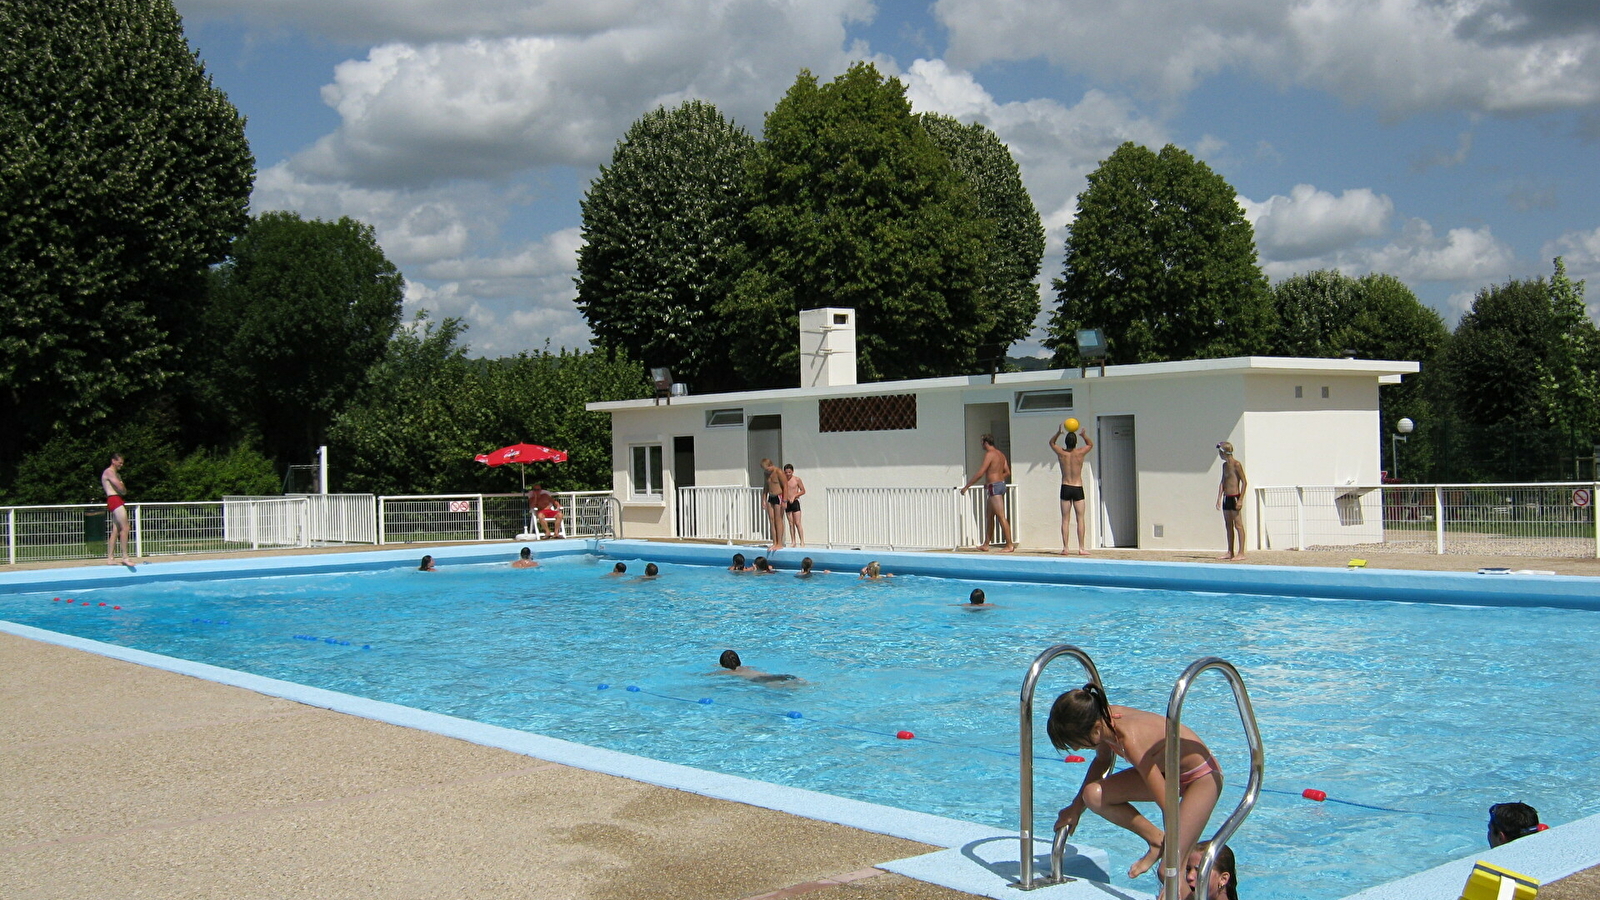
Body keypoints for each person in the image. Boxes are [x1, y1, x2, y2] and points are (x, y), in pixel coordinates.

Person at [1048, 682, 1222, 881]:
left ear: (1095, 730)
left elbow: (1168, 803)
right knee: (1093, 795)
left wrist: (1175, 854)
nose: (1077, 749)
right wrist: (1075, 808)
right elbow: (1102, 761)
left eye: (1077, 743)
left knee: (1170, 872)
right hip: (1167, 774)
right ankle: (1157, 841)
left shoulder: (1129, 739)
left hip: (1201, 777)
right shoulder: (1101, 719)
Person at [960, 434, 1015, 552]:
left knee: (1001, 516)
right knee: (989, 517)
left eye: (981, 442)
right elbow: (1007, 472)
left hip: (994, 488)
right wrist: (996, 479)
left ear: (985, 442)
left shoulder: (989, 454)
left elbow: (981, 472)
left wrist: (967, 486)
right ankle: (986, 544)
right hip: (997, 485)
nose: (981, 445)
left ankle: (1009, 545)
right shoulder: (1000, 454)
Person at [1049, 424, 1094, 556]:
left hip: (1066, 487)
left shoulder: (1061, 453)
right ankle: (1081, 548)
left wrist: (1058, 433)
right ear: (1075, 443)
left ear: (1066, 442)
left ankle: (1066, 548)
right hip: (1077, 487)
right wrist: (1084, 435)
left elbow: (1051, 443)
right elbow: (1090, 445)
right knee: (1080, 519)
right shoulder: (1080, 453)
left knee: (1065, 519)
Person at [1215, 442, 1247, 560]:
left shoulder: (1236, 464)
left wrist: (1241, 499)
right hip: (1226, 498)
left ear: (1224, 452)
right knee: (1228, 525)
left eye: (1220, 452)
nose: (1219, 455)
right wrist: (1219, 498)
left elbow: (1244, 482)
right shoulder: (1224, 466)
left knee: (1238, 525)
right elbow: (1223, 482)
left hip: (1235, 497)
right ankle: (1230, 551)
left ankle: (1241, 552)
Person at [101, 452, 133, 566]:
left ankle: (110, 558)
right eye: (120, 463)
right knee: (125, 527)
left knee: (116, 530)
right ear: (113, 461)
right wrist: (121, 486)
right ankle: (125, 556)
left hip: (116, 499)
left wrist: (122, 487)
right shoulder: (109, 472)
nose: (121, 465)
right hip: (114, 499)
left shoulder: (116, 474)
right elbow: (121, 488)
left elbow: (124, 491)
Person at [716, 649, 798, 683]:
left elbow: (712, 674)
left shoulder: (728, 672)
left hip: (759, 679)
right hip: (773, 676)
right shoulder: (746, 667)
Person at [761, 458, 788, 553]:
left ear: (771, 465)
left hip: (779, 496)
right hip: (770, 497)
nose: (766, 471)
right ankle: (774, 542)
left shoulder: (779, 472)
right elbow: (765, 487)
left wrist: (784, 500)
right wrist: (763, 500)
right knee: (771, 520)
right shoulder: (766, 474)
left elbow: (785, 486)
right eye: (765, 469)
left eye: (767, 468)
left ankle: (780, 543)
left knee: (778, 519)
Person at [782, 463, 806, 546]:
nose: (788, 474)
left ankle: (802, 541)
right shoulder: (783, 480)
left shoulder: (797, 480)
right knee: (791, 523)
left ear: (792, 471)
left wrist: (795, 495)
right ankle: (793, 541)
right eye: (786, 472)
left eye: (789, 472)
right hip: (787, 502)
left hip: (795, 502)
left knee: (797, 522)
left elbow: (803, 491)